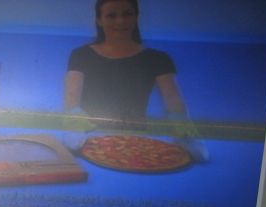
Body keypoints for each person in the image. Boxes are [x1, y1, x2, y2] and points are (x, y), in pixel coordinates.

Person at [63, 0, 207, 160]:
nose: (120, 21)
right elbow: (72, 97)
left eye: (127, 14)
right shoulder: (81, 55)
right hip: (89, 141)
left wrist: (183, 128)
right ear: (99, 20)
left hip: (137, 141)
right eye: (111, 15)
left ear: (136, 17)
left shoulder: (158, 58)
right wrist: (75, 126)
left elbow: (173, 99)